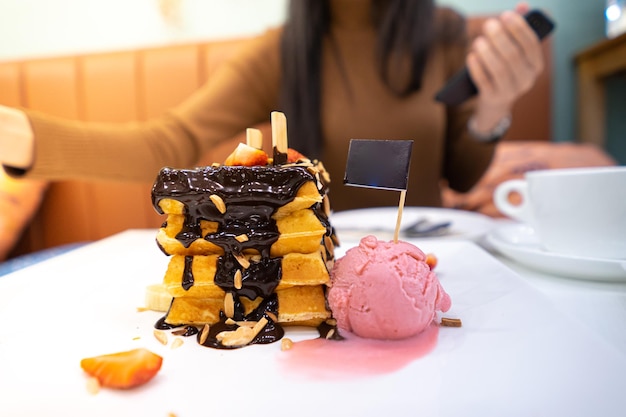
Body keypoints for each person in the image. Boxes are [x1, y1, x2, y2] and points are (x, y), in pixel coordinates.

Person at [0, 0, 545, 257]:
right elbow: (166, 144)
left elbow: (461, 171)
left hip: (435, 263)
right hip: (323, 271)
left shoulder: (445, 31)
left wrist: (491, 109)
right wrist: (18, 137)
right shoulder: (277, 55)